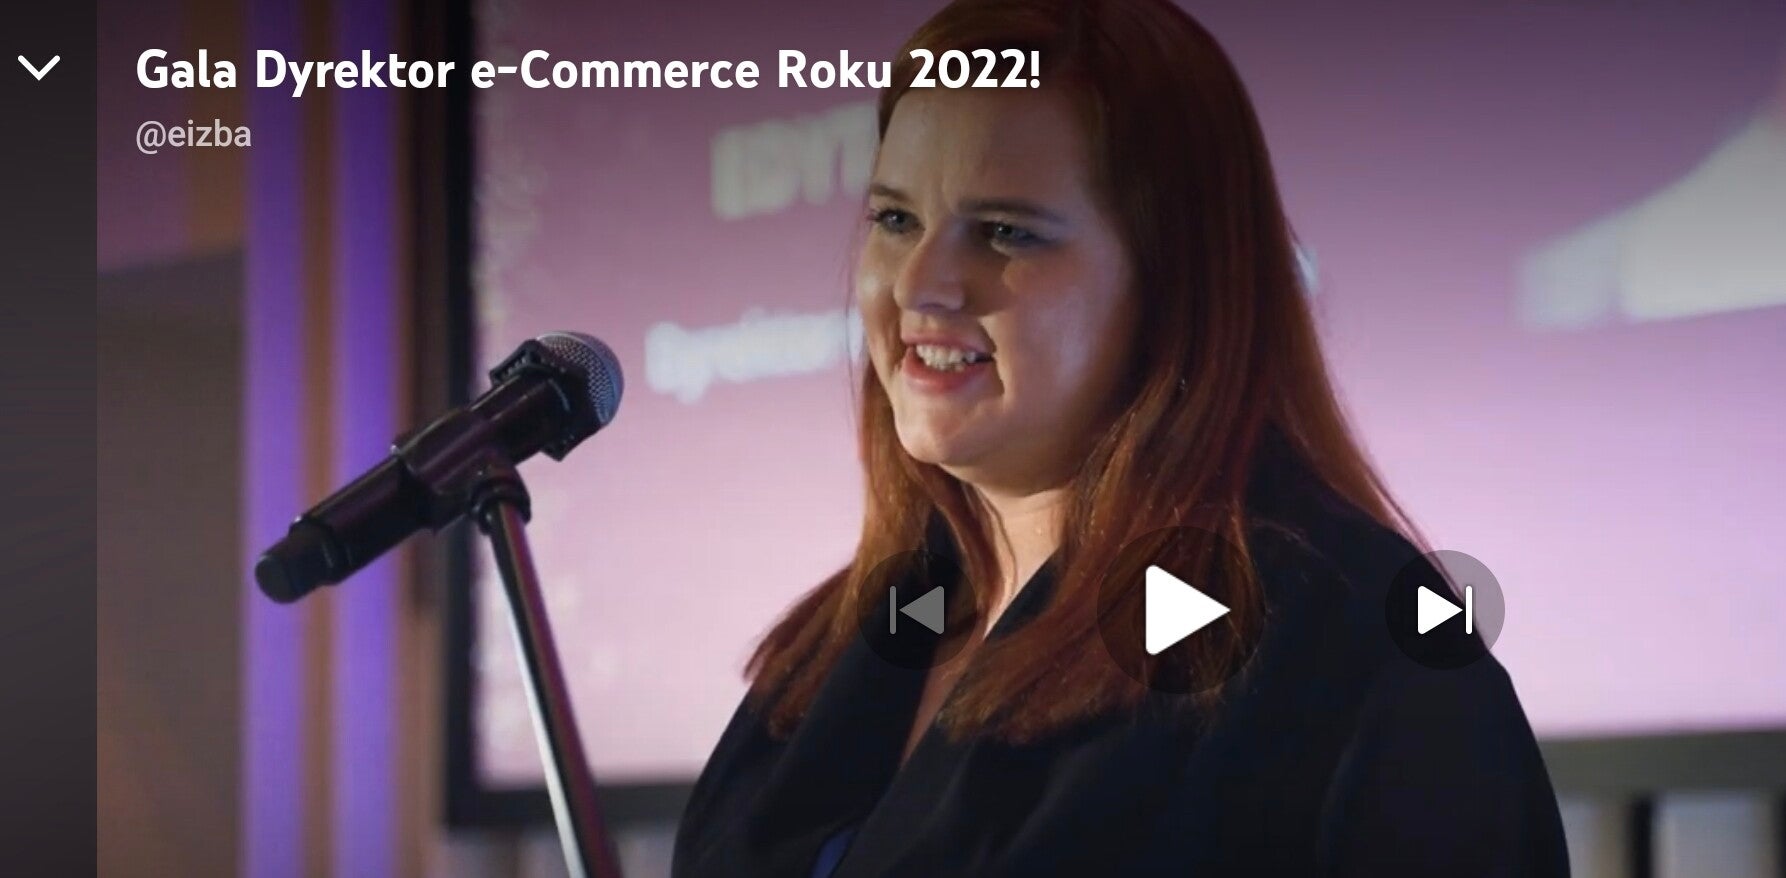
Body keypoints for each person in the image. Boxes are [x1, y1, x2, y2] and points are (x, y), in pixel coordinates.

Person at [673, 0, 1568, 874]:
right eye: (895, 219)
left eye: (1006, 232)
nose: (920, 283)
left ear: (1172, 280)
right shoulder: (859, 633)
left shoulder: (1351, 647)